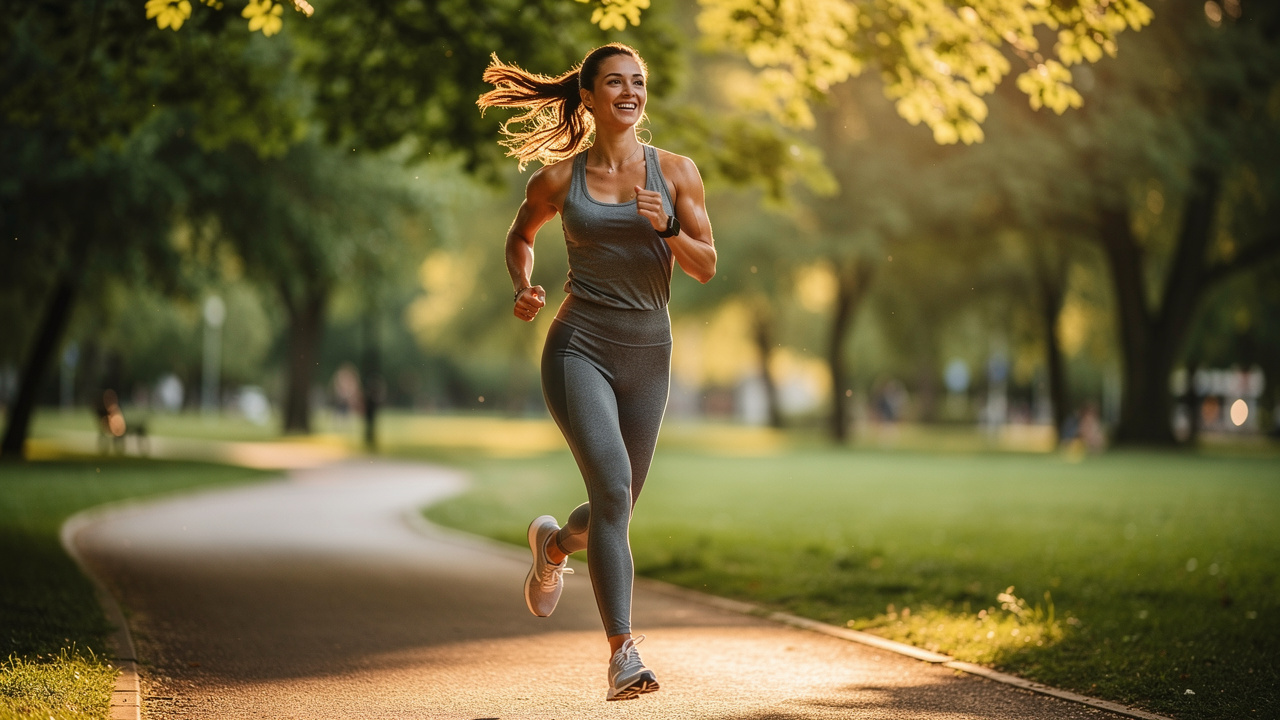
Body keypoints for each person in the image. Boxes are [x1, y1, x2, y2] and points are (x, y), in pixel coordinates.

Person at [477, 43, 716, 701]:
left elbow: (706, 264)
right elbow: (520, 235)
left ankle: (553, 546)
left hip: (650, 354)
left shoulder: (677, 172)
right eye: (615, 82)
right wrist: (523, 285)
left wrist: (667, 226)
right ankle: (623, 656)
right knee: (612, 492)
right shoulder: (560, 180)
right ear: (588, 97)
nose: (629, 91)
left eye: (637, 81)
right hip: (578, 346)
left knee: (616, 505)